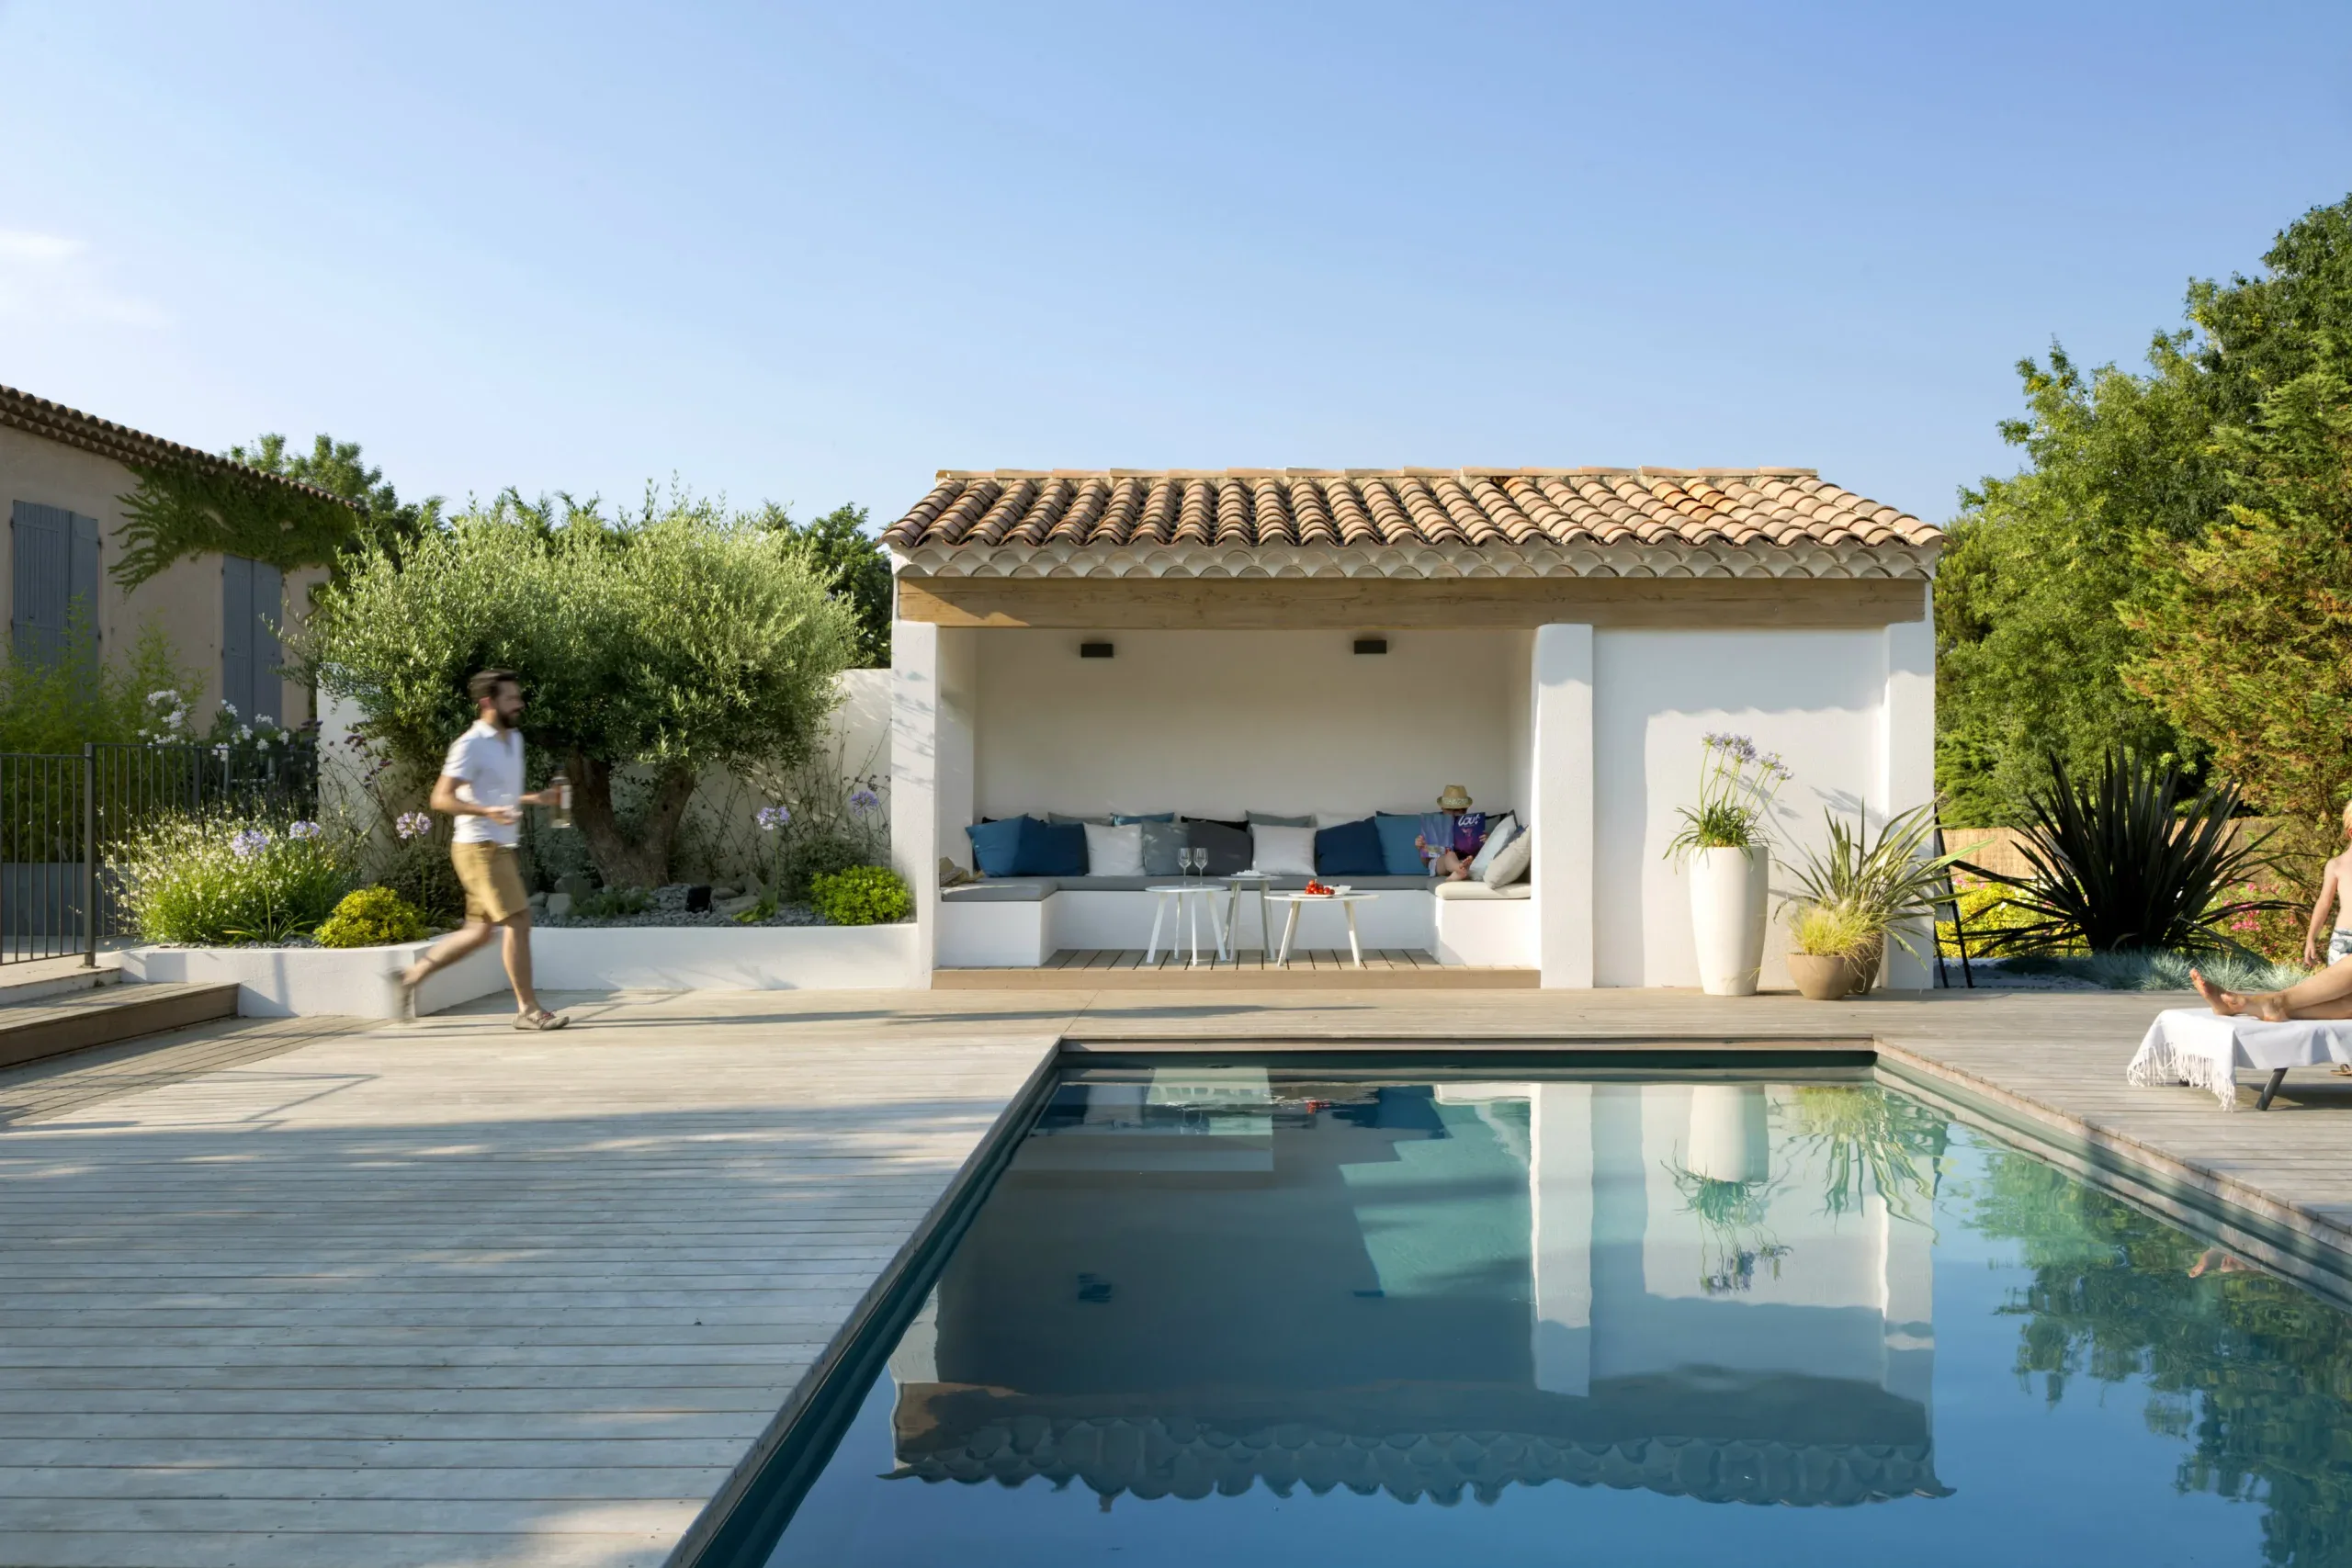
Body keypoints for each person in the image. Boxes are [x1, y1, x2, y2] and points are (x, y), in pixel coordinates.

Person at [397, 670, 570, 1029]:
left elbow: (499, 797)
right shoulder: (470, 744)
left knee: (478, 933)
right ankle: (528, 1010)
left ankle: (412, 976)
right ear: (488, 702)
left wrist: (535, 798)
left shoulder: (514, 739)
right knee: (519, 921)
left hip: (499, 847)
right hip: (479, 847)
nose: (519, 703)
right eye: (511, 698)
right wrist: (485, 811)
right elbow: (440, 798)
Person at [1415, 784, 1491, 881]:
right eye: (1449, 809)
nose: (1452, 813)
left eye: (1457, 810)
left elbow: (1482, 853)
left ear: (1465, 810)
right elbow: (1426, 863)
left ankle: (1457, 874)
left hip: (1466, 859)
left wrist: (1488, 841)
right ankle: (1459, 869)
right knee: (1450, 855)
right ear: (1442, 808)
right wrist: (1421, 848)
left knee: (1473, 861)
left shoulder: (1473, 824)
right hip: (1442, 862)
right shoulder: (1433, 825)